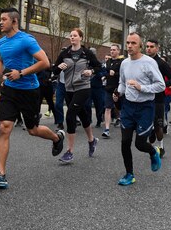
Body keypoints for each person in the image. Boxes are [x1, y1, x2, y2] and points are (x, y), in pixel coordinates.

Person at [0, 8, 65, 189]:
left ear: (14, 21)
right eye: (0, 19)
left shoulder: (26, 40)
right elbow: (3, 61)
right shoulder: (2, 42)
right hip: (10, 90)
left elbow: (44, 62)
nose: (0, 22)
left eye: (4, 19)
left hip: (29, 90)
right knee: (5, 127)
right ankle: (1, 174)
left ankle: (57, 138)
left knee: (33, 130)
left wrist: (21, 73)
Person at [113, 32, 164, 186]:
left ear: (140, 45)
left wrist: (141, 87)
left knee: (140, 144)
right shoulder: (124, 63)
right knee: (125, 141)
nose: (129, 46)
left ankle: (153, 151)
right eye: (128, 43)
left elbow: (161, 85)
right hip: (128, 106)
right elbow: (122, 82)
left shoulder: (149, 63)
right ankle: (129, 174)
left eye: (133, 43)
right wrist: (118, 92)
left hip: (145, 107)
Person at [52, 28, 100, 164]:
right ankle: (92, 141)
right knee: (83, 114)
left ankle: (69, 152)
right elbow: (54, 70)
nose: (72, 37)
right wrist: (59, 67)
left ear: (80, 38)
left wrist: (91, 71)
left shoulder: (87, 53)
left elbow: (98, 67)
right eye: (71, 35)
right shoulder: (65, 53)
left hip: (83, 87)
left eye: (74, 36)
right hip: (68, 89)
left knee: (70, 115)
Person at [144, 39, 171, 158]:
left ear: (157, 48)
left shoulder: (161, 63)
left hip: (158, 98)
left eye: (152, 46)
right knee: (146, 123)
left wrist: (162, 84)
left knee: (158, 124)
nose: (149, 48)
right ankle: (151, 131)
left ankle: (161, 146)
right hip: (144, 97)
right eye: (147, 46)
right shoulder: (142, 60)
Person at [102, 44, 123, 138]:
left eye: (114, 50)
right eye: (111, 50)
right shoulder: (108, 61)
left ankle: (127, 125)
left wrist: (115, 73)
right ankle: (107, 129)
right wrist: (104, 76)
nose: (112, 51)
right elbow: (106, 71)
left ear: (118, 51)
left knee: (121, 108)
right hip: (109, 88)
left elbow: (124, 75)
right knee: (107, 108)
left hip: (119, 89)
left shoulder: (122, 62)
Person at [85, 47, 107, 128]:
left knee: (99, 105)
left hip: (97, 88)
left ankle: (99, 120)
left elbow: (104, 72)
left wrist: (98, 74)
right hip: (88, 87)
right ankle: (88, 119)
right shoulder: (86, 64)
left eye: (93, 54)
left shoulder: (99, 63)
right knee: (87, 104)